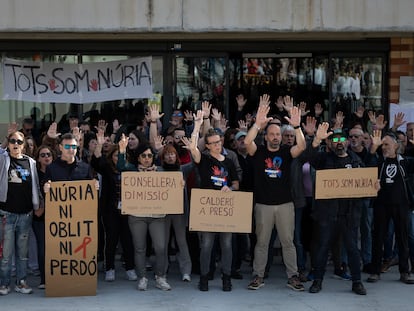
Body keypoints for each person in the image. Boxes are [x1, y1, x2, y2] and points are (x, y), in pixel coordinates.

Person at [244, 94, 306, 291]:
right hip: (263, 205)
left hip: (285, 205)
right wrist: (256, 124)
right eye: (271, 134)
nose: (275, 137)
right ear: (266, 136)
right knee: (261, 243)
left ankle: (293, 276)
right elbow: (247, 142)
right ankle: (258, 276)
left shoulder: (287, 152)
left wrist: (297, 127)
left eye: (278, 134)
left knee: (288, 242)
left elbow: (302, 146)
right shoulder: (259, 152)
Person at [306, 125, 377, 295]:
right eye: (335, 140)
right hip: (327, 214)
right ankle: (317, 281)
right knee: (323, 248)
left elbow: (366, 180)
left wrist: (372, 185)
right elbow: (308, 157)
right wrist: (316, 140)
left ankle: (357, 282)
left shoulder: (356, 161)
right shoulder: (324, 159)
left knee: (352, 249)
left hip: (350, 214)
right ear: (330, 142)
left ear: (347, 142)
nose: (339, 143)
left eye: (342, 139)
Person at [184, 110, 239, 292]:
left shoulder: (229, 161)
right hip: (207, 208)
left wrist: (229, 188)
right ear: (207, 146)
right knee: (206, 245)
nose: (217, 145)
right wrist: (197, 125)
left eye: (219, 141)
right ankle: (205, 277)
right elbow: (193, 149)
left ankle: (226, 277)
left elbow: (236, 185)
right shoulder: (205, 159)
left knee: (227, 245)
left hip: (225, 209)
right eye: (213, 143)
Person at [117, 135, 171, 291]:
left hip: (157, 216)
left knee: (160, 247)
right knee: (140, 248)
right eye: (143, 156)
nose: (147, 159)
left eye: (149, 155)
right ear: (138, 157)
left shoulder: (160, 171)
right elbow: (120, 166)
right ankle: (142, 278)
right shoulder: (132, 170)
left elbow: (173, 178)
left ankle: (161, 277)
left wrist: (178, 184)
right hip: (137, 216)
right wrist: (122, 149)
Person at [0, 125, 43, 295]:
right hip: (7, 214)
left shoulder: (30, 162)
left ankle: (21, 282)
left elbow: (36, 186)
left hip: (26, 214)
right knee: (6, 254)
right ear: (8, 143)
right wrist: (6, 138)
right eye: (12, 141)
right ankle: (4, 284)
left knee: (22, 253)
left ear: (24, 145)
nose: (15, 144)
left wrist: (37, 205)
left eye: (19, 141)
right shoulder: (3, 160)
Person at [90, 129, 137, 283]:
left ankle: (130, 268)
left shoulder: (130, 169)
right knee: (111, 239)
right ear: (111, 157)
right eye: (116, 155)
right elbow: (96, 160)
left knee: (127, 240)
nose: (118, 158)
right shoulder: (106, 168)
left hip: (128, 210)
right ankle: (110, 268)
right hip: (110, 210)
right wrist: (100, 143)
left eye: (121, 155)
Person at [367, 132, 414, 285]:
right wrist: (373, 149)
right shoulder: (379, 161)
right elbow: (366, 164)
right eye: (382, 145)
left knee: (403, 238)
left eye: (387, 144)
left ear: (396, 145)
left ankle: (404, 271)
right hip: (381, 205)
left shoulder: (405, 162)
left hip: (402, 205)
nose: (384, 147)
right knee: (378, 237)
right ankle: (375, 271)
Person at [32, 145, 55, 289]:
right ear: (38, 159)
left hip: (59, 217)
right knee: (43, 248)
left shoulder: (58, 172)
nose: (46, 157)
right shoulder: (34, 174)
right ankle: (44, 279)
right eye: (42, 155)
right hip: (40, 217)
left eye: (48, 154)